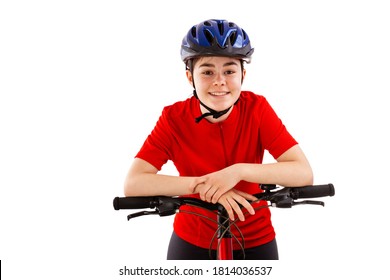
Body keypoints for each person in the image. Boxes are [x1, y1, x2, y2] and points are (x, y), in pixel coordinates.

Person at [124, 19, 313, 260]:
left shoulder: (257, 109)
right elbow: (134, 183)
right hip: (192, 240)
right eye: (207, 71)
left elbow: (303, 172)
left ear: (243, 75)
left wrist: (236, 172)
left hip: (256, 238)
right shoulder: (173, 118)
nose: (219, 81)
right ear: (190, 77)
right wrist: (206, 187)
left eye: (229, 71)